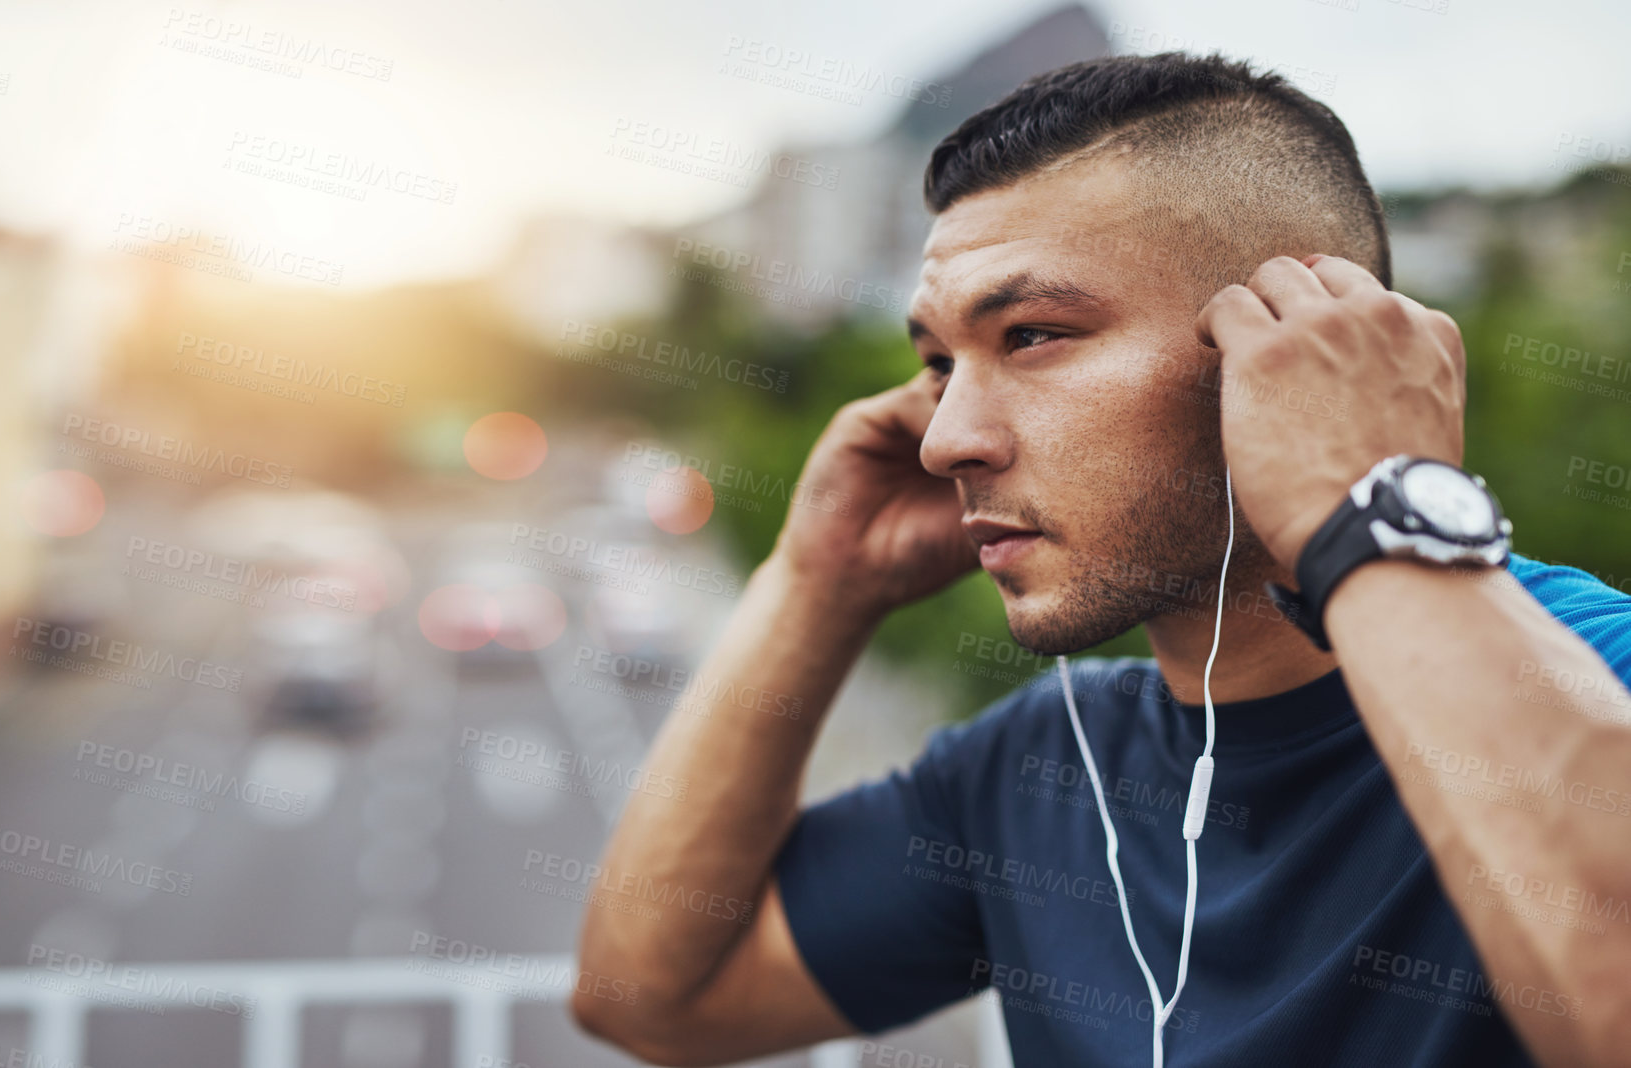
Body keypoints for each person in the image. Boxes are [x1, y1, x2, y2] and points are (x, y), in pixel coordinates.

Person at [569, 52, 1631, 1067]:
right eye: (937, 363)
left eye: (1030, 334)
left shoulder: (1595, 671)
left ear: (1295, 335)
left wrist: (1373, 497)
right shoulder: (1042, 769)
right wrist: (812, 586)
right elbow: (651, 1000)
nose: (944, 439)